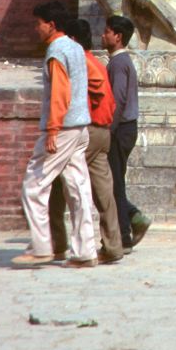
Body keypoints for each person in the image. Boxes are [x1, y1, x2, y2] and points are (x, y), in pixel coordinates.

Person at [13, 1, 98, 268]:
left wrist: (52, 129)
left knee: (34, 185)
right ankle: (85, 252)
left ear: (51, 25)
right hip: (80, 126)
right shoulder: (75, 47)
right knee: (78, 189)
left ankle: (41, 247)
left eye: (37, 23)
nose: (35, 28)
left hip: (61, 129)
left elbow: (60, 93)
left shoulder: (57, 50)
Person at [48, 18, 124, 265]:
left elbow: (89, 92)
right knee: (104, 193)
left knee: (59, 185)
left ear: (71, 40)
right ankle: (113, 246)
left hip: (87, 130)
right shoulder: (96, 62)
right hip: (103, 131)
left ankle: (59, 244)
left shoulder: (79, 62)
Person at [103, 15, 151, 254]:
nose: (104, 36)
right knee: (114, 182)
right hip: (124, 127)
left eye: (107, 32)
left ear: (118, 37)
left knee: (115, 184)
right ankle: (132, 219)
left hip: (120, 128)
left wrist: (109, 129)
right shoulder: (120, 62)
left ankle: (124, 235)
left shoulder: (119, 63)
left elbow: (118, 98)